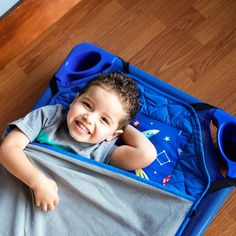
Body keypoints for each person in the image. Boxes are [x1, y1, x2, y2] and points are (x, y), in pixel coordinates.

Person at [0, 72, 157, 212]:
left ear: (114, 135)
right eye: (87, 105)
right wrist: (38, 182)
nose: (89, 118)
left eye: (104, 120)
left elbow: (146, 154)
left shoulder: (103, 150)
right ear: (75, 100)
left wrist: (119, 126)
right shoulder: (49, 117)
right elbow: (8, 148)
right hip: (16, 190)